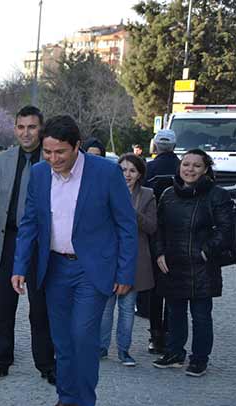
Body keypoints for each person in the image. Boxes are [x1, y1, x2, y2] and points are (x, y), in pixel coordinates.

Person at [11, 115, 137, 406]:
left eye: (60, 153)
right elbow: (28, 223)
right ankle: (65, 398)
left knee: (83, 334)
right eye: (48, 152)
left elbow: (126, 224)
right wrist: (19, 266)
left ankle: (85, 404)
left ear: (77, 147)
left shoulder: (106, 173)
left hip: (91, 269)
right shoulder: (39, 175)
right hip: (53, 267)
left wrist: (125, 270)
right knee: (61, 338)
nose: (53, 159)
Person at [0, 106, 56, 383]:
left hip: (38, 243)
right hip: (5, 241)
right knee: (2, 306)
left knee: (40, 308)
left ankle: (47, 365)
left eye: (32, 127)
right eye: (21, 127)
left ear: (41, 129)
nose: (26, 133)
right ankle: (0, 361)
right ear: (15, 129)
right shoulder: (2, 160)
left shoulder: (51, 162)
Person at [152, 149, 233, 377]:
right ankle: (174, 353)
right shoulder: (168, 194)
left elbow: (227, 230)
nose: (190, 169)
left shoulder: (217, 195)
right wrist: (159, 253)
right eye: (186, 164)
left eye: (196, 165)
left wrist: (207, 251)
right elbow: (159, 229)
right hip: (173, 264)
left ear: (206, 169)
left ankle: (199, 359)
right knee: (175, 313)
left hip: (202, 266)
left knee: (201, 316)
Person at [100, 153, 156, 366]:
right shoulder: (107, 192)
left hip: (135, 259)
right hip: (109, 258)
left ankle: (124, 350)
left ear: (139, 174)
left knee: (127, 308)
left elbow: (152, 227)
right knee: (105, 308)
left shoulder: (148, 195)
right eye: (123, 169)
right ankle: (101, 347)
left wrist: (131, 212)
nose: (127, 174)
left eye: (132, 170)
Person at [143, 128, 179, 354]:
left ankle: (156, 336)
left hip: (153, 231)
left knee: (155, 289)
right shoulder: (184, 166)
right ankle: (171, 333)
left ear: (155, 145)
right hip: (179, 231)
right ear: (174, 146)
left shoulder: (149, 168)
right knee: (174, 288)